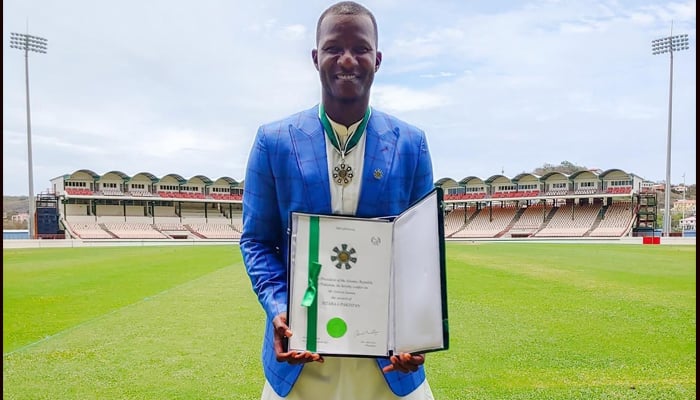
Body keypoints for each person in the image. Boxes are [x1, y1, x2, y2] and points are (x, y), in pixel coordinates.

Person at [240, 1, 435, 398]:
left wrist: (415, 331)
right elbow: (257, 241)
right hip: (301, 367)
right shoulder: (273, 141)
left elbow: (422, 251)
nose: (348, 59)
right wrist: (280, 309)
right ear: (316, 58)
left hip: (389, 370)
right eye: (333, 48)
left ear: (377, 59)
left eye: (360, 48)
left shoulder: (411, 144)